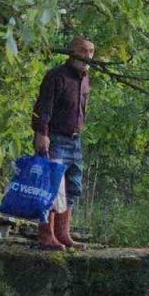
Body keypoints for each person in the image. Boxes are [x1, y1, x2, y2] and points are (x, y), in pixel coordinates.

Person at [30, 35, 92, 250]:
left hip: (75, 140)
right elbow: (42, 108)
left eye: (91, 52)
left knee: (72, 187)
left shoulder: (84, 79)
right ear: (71, 51)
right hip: (54, 137)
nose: (88, 56)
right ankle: (46, 235)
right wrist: (41, 133)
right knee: (50, 187)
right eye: (84, 51)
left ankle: (63, 234)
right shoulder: (55, 76)